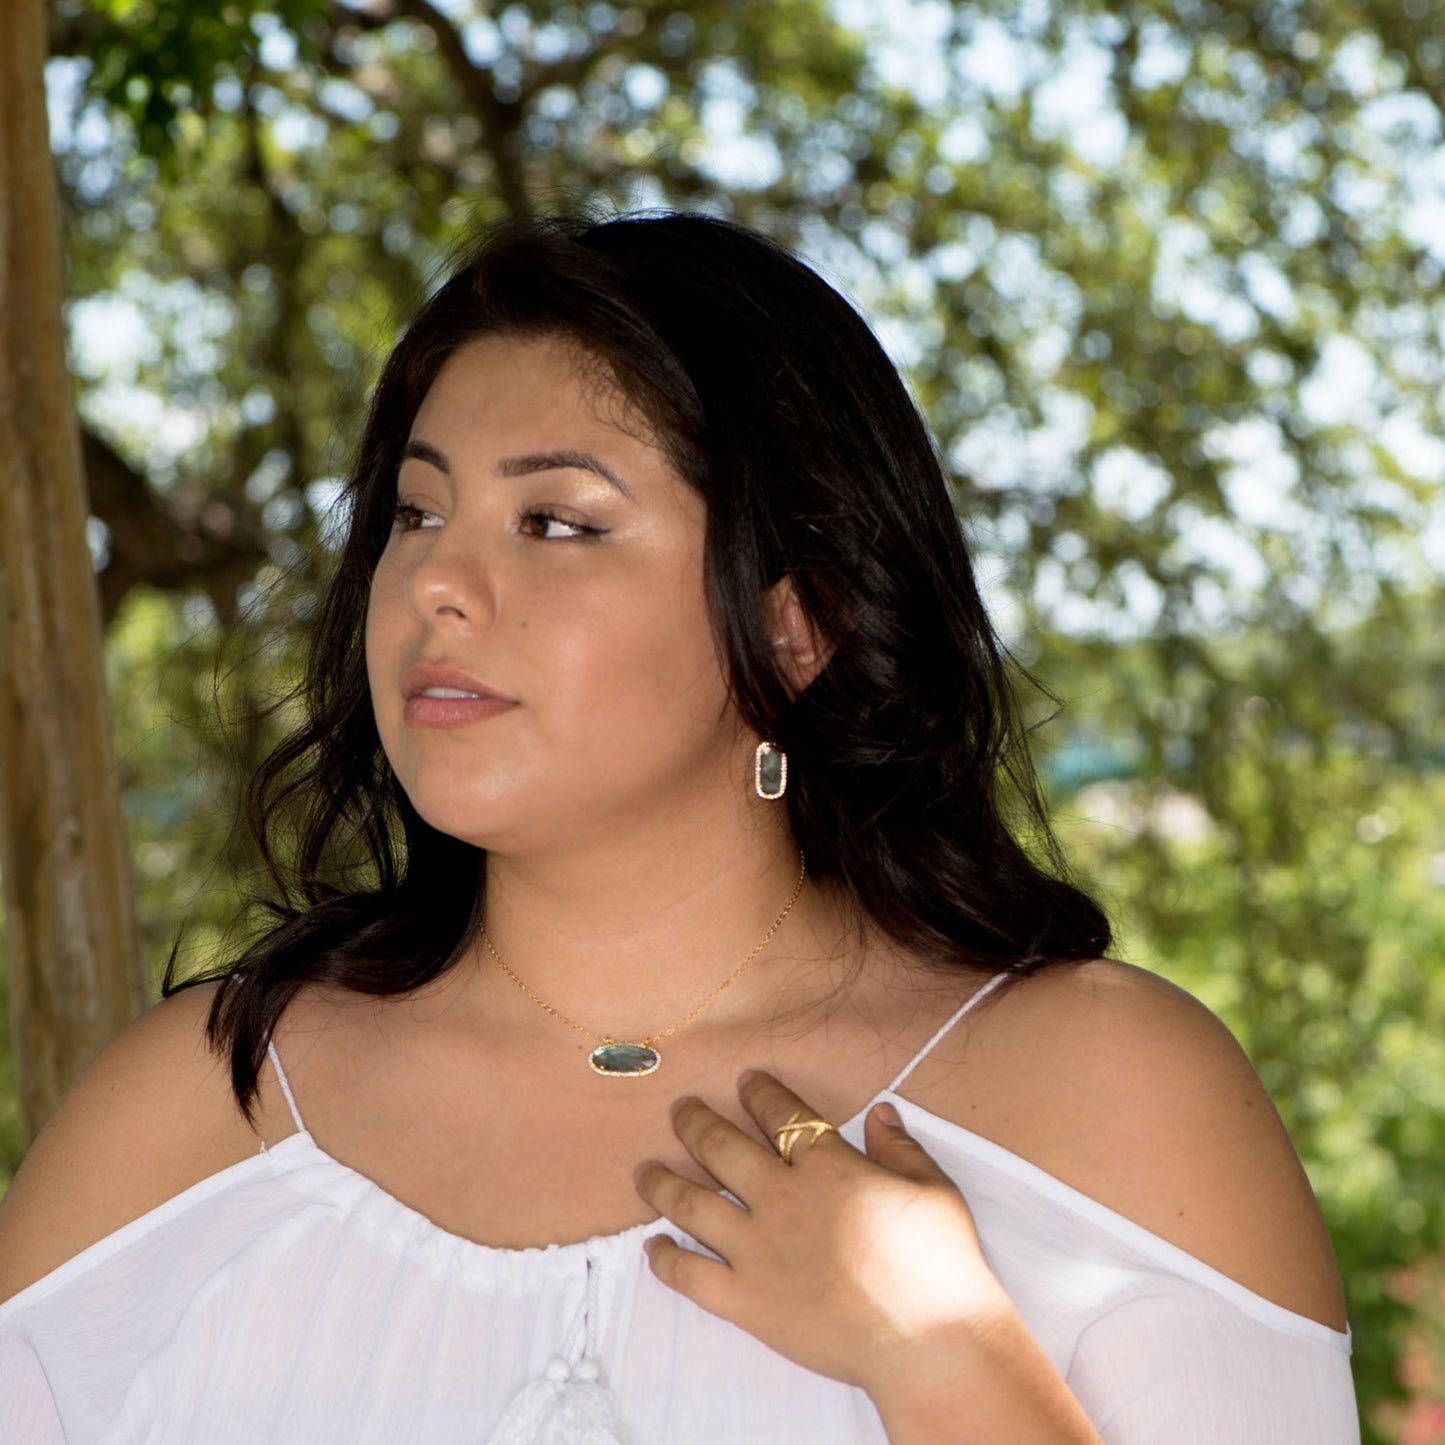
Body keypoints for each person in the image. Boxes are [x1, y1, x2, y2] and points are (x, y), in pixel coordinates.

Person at [0, 209, 1356, 1443]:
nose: (438, 586)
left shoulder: (1108, 1099)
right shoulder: (195, 1112)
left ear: (793, 621)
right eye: (415, 512)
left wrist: (942, 1356)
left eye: (556, 519)